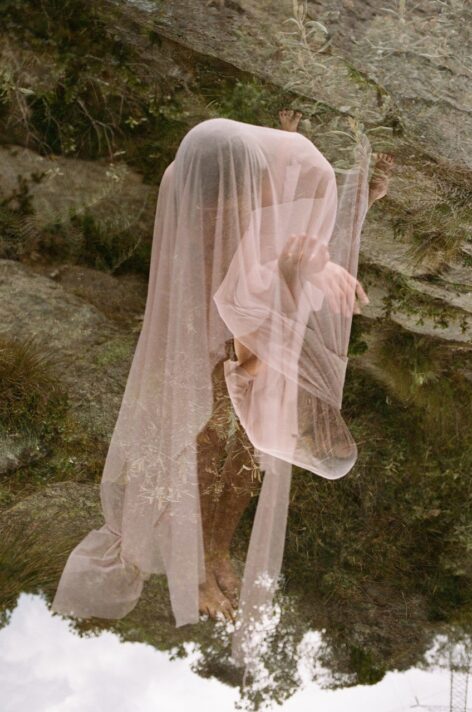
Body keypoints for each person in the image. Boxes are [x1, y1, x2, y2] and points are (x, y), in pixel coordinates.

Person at [51, 109, 394, 668]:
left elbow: (283, 259)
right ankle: (212, 558)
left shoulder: (239, 190)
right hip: (224, 293)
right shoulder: (201, 196)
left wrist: (326, 236)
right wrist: (334, 229)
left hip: (246, 295)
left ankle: (212, 558)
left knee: (225, 442)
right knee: (221, 441)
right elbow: (274, 267)